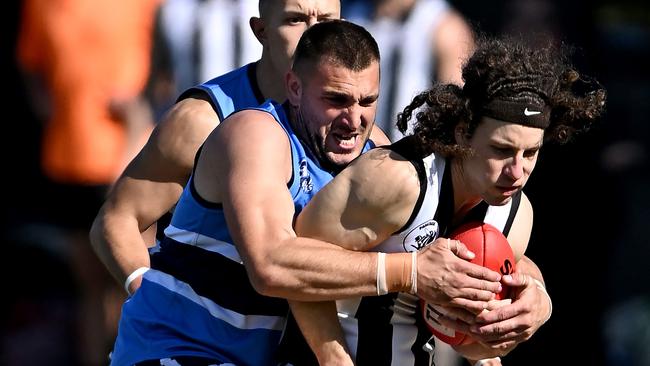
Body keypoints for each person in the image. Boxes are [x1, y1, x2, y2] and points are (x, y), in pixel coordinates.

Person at [108, 20, 506, 365]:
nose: (354, 120)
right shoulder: (255, 134)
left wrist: (533, 296)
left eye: (368, 101)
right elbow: (270, 266)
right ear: (294, 88)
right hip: (182, 351)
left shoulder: (377, 156)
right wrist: (412, 273)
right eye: (336, 100)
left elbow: (449, 240)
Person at [281, 34, 606, 365]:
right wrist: (333, 359)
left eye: (531, 153)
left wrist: (517, 321)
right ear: (463, 131)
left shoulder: (515, 216)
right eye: (501, 150)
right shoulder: (398, 180)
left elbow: (470, 344)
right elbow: (293, 266)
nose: (517, 171)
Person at [89, 0, 383, 296]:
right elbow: (115, 221)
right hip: (196, 339)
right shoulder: (202, 120)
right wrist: (151, 302)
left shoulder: (360, 136)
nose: (311, 35)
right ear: (261, 31)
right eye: (294, 20)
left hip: (275, 337)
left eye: (326, 21)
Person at [16, 0, 160, 364]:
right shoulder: (41, 6)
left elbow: (166, 71)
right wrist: (50, 107)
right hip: (69, 161)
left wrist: (137, 124)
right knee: (89, 284)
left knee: (135, 280)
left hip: (129, 161)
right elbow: (30, 63)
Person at [343, 0, 475, 141]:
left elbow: (458, 110)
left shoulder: (443, 25)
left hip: (415, 152)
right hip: (359, 145)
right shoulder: (351, 15)